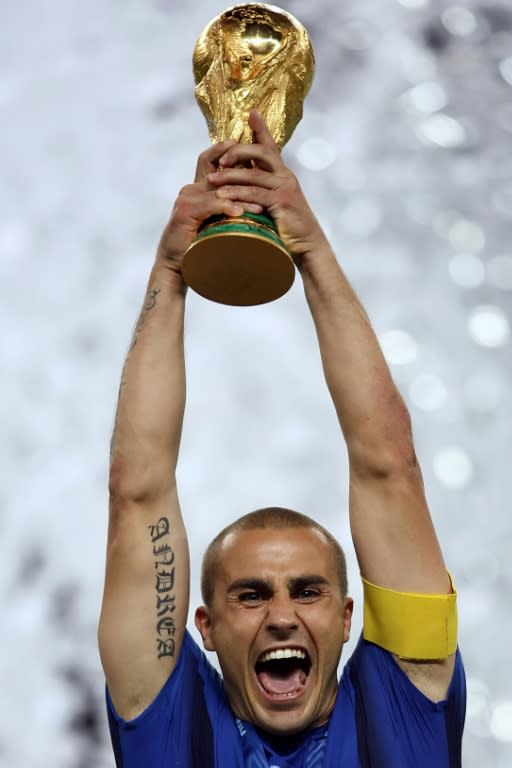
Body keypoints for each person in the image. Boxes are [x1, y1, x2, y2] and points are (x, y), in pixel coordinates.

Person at [98, 110, 466, 767]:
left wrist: (312, 251)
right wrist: (171, 268)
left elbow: (389, 465)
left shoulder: (407, 698)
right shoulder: (168, 722)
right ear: (202, 627)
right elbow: (138, 493)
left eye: (306, 590)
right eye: (249, 594)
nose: (280, 616)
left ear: (348, 617)